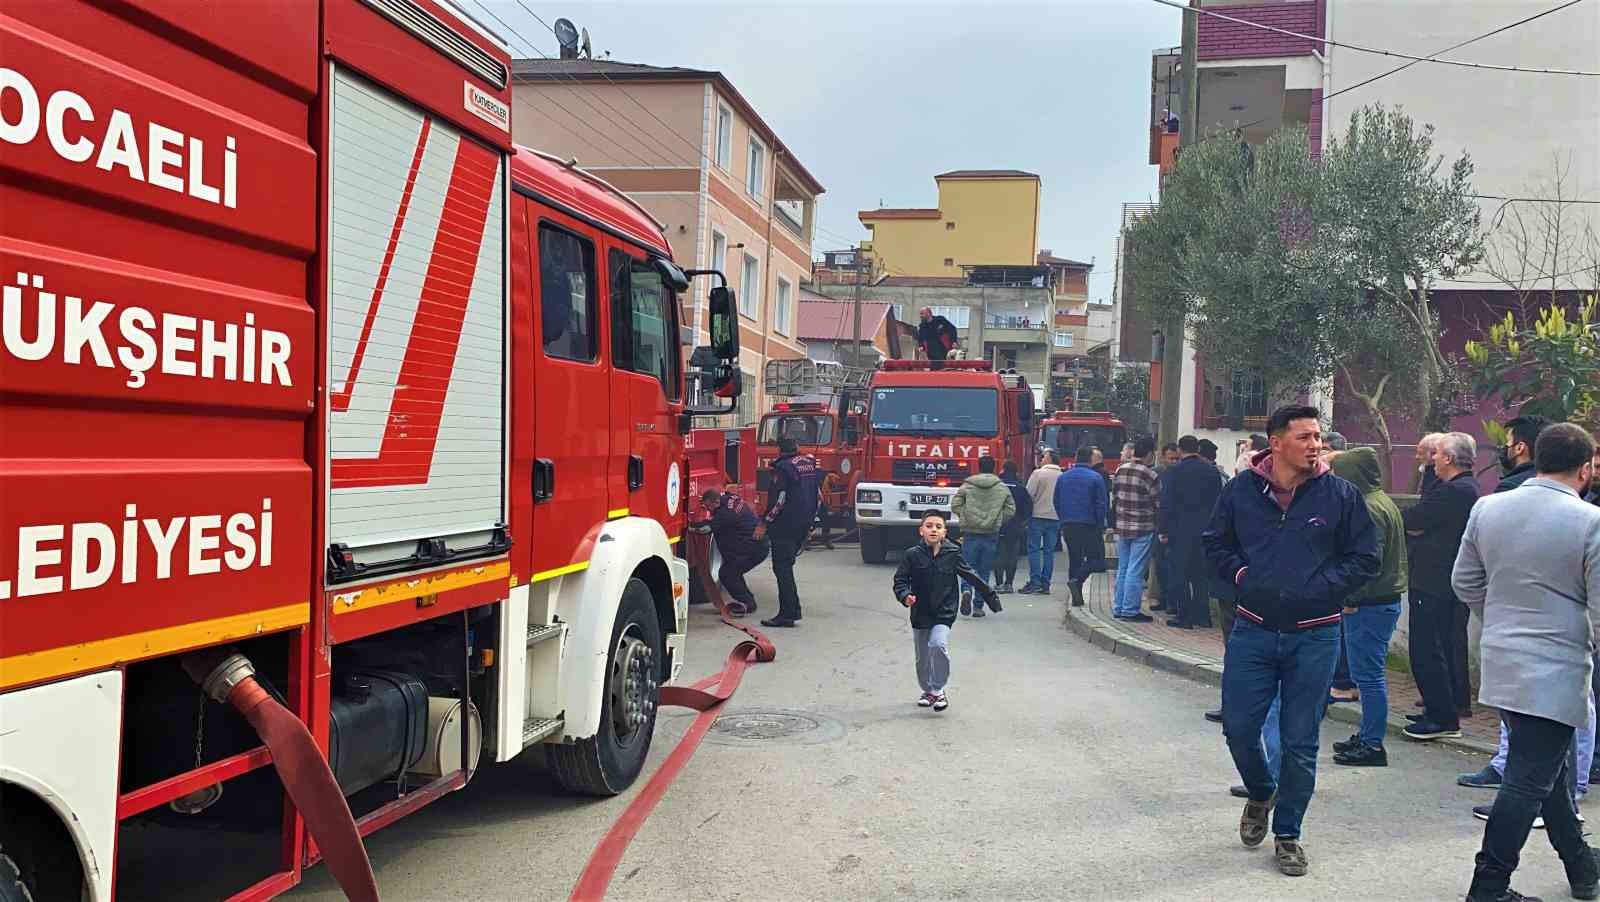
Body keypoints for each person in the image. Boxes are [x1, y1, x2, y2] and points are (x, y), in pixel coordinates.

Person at [1203, 405, 1379, 878]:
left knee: (1301, 742)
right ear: (1276, 442)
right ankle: (1262, 791)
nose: (1315, 444)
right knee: (1239, 728)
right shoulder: (1241, 490)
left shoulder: (1340, 495)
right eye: (1304, 436)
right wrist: (1243, 576)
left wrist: (1322, 588)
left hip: (1316, 634)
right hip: (1254, 629)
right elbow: (1215, 543)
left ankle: (1288, 835)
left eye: (1317, 436)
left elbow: (1366, 557)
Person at [1454, 424, 1600, 902]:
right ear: (1585, 468)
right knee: (1528, 778)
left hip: (1503, 656)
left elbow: (1465, 582)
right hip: (1556, 664)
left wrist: (1499, 621)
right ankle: (1489, 885)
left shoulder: (1488, 506)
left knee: (1542, 770)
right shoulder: (1589, 520)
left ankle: (1581, 866)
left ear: (1536, 457)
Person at [1325, 448, 1408, 767]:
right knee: (1366, 674)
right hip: (1381, 600)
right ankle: (1367, 736)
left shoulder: (1369, 508)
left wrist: (1350, 599)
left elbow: (1367, 563)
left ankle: (1373, 742)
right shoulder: (1381, 501)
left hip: (1370, 603)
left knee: (1368, 676)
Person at [1399, 432, 1480, 741]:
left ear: (1447, 458)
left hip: (1436, 581)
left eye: (1436, 454)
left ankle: (1443, 716)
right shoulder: (1456, 488)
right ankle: (1436, 709)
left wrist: (1416, 525)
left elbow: (1415, 517)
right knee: (1433, 648)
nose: (1430, 460)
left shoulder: (1456, 491)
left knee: (1428, 649)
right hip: (1436, 579)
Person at [892, 510, 1001, 712]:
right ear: (921, 531)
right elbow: (900, 580)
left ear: (944, 533)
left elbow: (971, 575)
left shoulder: (952, 553)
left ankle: (939, 689)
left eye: (938, 527)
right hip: (920, 612)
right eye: (929, 526)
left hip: (944, 610)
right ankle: (928, 690)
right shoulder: (912, 555)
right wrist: (905, 595)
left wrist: (990, 597)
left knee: (938, 644)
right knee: (922, 658)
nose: (934, 529)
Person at [1159, 436, 1224, 629]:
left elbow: (1167, 503)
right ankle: (1203, 616)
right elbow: (1218, 502)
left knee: (1179, 573)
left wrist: (1163, 529)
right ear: (1197, 449)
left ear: (1180, 450)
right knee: (1201, 574)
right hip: (1206, 529)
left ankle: (1183, 615)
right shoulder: (1212, 472)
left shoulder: (1174, 471)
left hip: (1180, 530)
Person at [756, 437, 820, 628]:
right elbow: (818, 496)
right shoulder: (810, 465)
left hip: (785, 527)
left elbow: (780, 500)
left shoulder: (782, 469)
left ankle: (788, 613)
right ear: (797, 448)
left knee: (782, 569)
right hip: (802, 525)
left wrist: (765, 522)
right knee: (787, 566)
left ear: (779, 451)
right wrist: (811, 522)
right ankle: (791, 610)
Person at [950, 455, 1014, 618]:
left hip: (970, 532)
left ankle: (966, 590)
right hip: (991, 534)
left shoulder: (968, 485)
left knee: (968, 566)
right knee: (984, 570)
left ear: (978, 467)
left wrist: (964, 516)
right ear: (994, 467)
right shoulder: (1001, 487)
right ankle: (978, 606)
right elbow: (1010, 509)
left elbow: (955, 504)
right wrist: (998, 520)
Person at [692, 488, 769, 616]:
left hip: (755, 548)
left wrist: (691, 526)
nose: (708, 510)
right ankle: (748, 601)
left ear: (716, 502)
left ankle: (748, 603)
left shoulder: (725, 515)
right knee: (733, 569)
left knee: (727, 573)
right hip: (756, 545)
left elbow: (705, 528)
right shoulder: (731, 498)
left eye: (708, 506)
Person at [1111, 436, 1160, 622]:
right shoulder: (1150, 475)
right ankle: (1130, 610)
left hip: (1122, 526)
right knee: (1135, 569)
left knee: (1123, 568)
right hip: (1143, 527)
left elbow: (1115, 497)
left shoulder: (1120, 470)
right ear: (1149, 454)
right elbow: (1157, 503)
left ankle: (1119, 607)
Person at [1054, 447, 1108, 608]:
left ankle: (1075, 595)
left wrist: (1063, 518)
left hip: (1068, 524)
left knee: (1074, 558)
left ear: (1076, 458)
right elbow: (1101, 503)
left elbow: (1056, 500)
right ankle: (1077, 580)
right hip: (1089, 524)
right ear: (1091, 459)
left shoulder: (1063, 477)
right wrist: (1100, 524)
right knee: (1096, 560)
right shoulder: (1096, 477)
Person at [1021, 449, 1063, 594]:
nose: (1041, 458)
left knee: (1034, 549)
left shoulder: (1038, 474)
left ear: (1050, 459)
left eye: (1044, 456)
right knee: (1049, 551)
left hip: (1037, 516)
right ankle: (1046, 583)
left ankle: (1035, 581)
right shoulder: (1062, 475)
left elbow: (1028, 494)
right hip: (1055, 517)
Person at [995, 461, 1033, 594]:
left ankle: (999, 584)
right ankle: (1009, 584)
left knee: (999, 554)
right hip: (1015, 526)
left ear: (1003, 470)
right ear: (1015, 472)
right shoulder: (1020, 487)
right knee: (1012, 555)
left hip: (998, 525)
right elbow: (1028, 507)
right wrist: (1023, 523)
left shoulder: (997, 486)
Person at [1496, 414, 1550, 493]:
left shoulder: (1509, 487)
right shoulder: (1561, 483)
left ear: (1519, 448)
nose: (1505, 447)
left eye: (1508, 442)